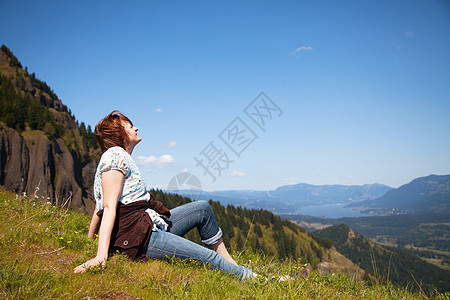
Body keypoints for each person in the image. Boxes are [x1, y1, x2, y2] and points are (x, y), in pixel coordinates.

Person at [73, 111, 253, 280]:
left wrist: (88, 241)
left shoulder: (118, 157)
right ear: (119, 134)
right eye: (129, 126)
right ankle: (252, 278)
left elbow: (98, 209)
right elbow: (108, 207)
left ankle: (231, 264)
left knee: (202, 209)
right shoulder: (114, 155)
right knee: (207, 257)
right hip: (137, 239)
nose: (135, 128)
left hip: (146, 226)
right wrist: (100, 256)